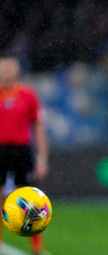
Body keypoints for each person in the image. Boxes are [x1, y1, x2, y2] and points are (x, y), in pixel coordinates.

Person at [0, 56, 49, 255]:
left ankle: (37, 247)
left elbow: (38, 127)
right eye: (3, 68)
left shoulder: (28, 95)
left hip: (21, 150)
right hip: (0, 150)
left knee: (30, 200)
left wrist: (42, 157)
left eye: (10, 68)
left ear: (17, 70)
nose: (6, 72)